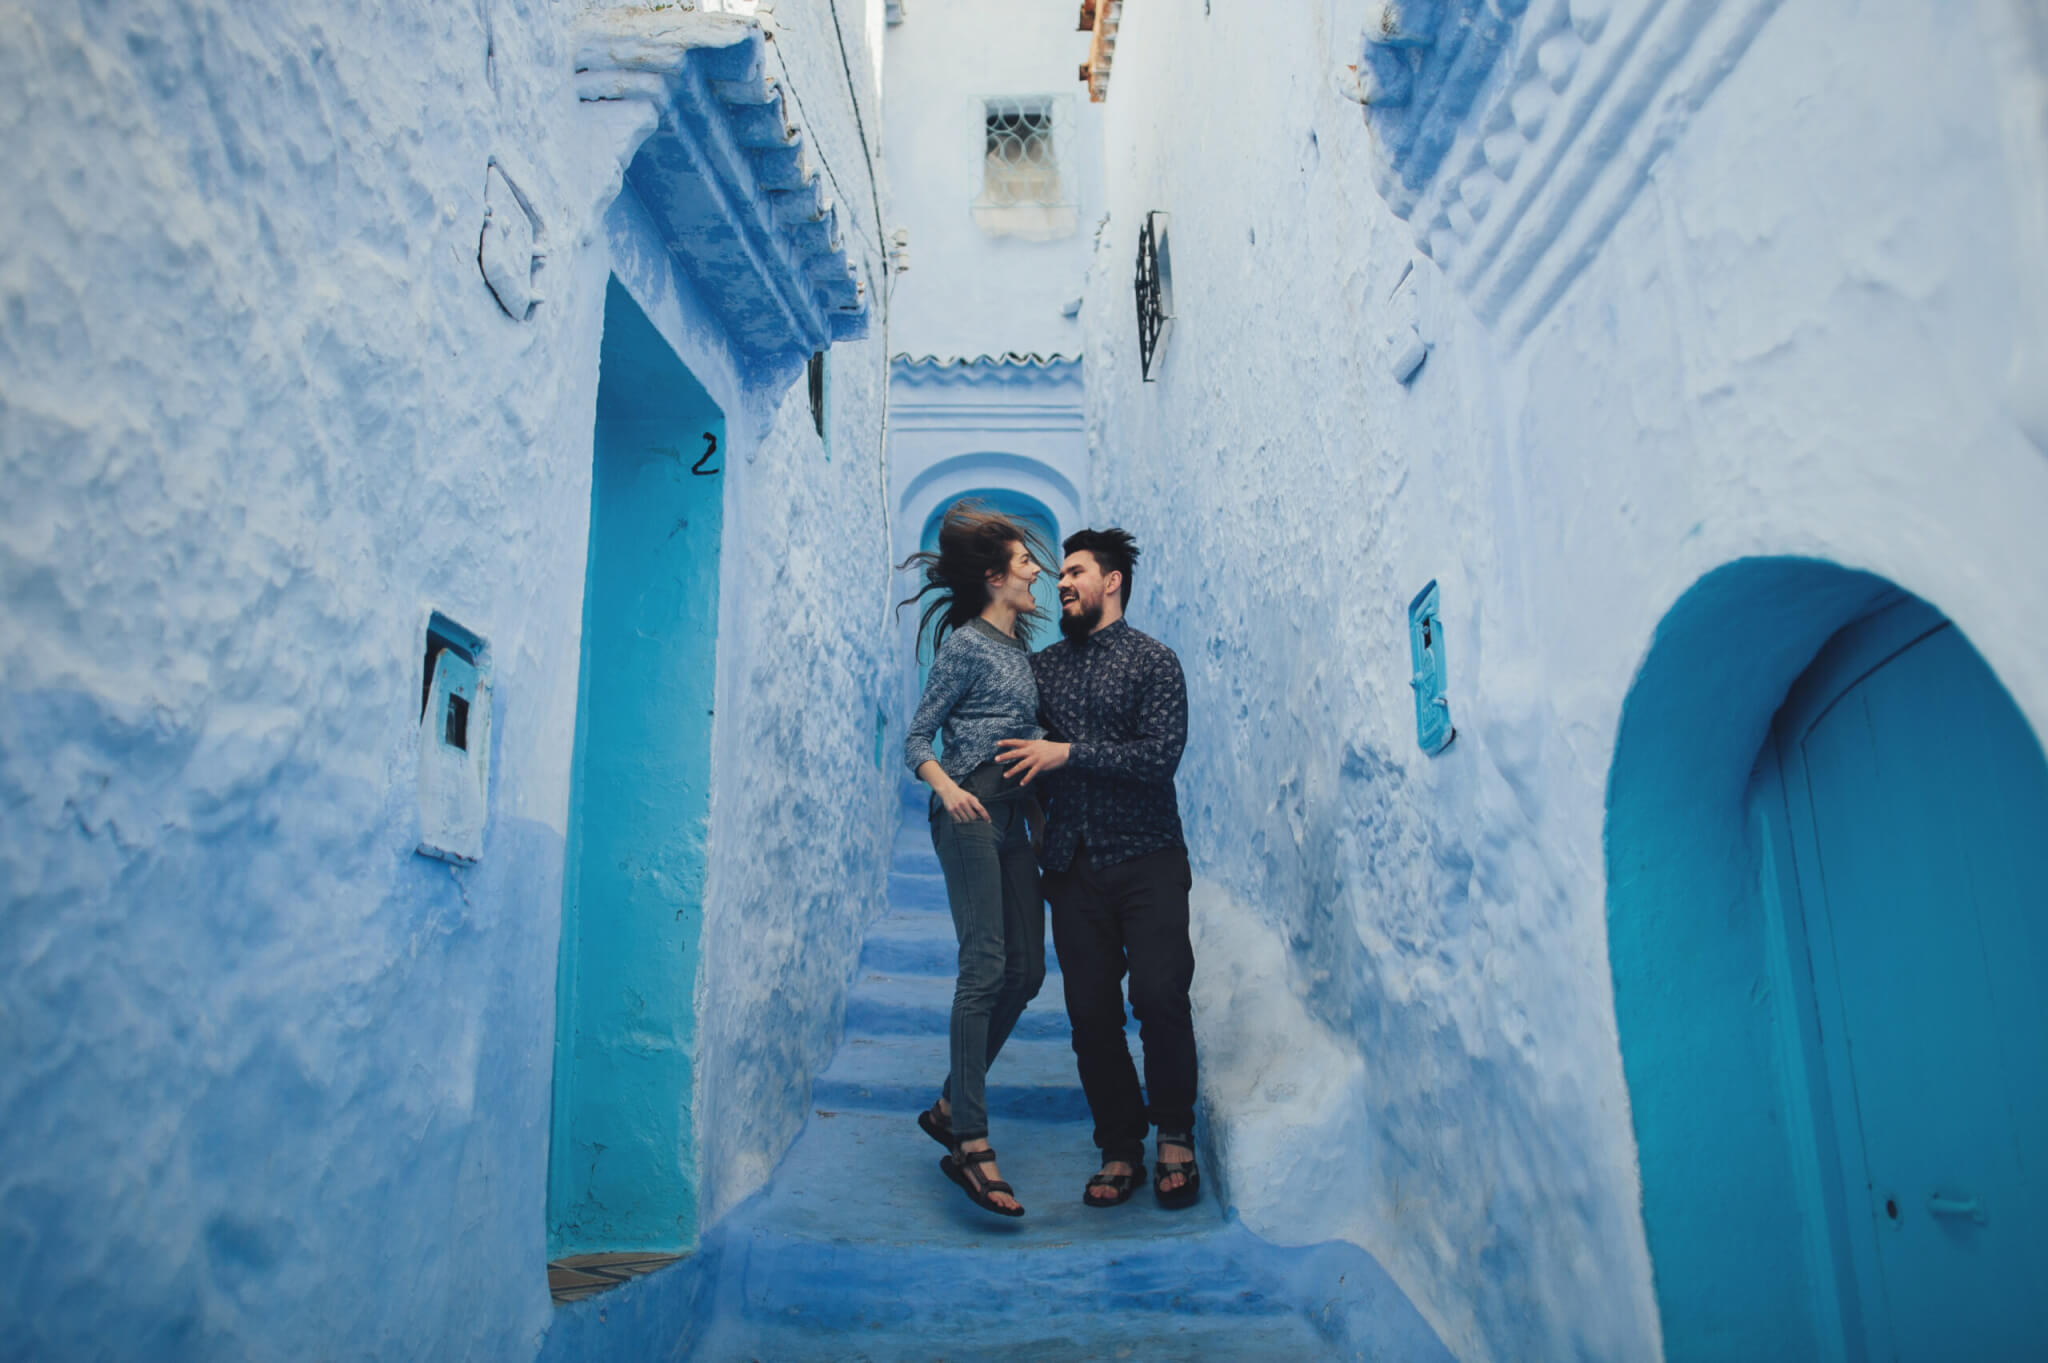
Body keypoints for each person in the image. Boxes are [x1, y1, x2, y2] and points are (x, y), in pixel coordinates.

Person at [996, 527, 1200, 1211]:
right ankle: (1118, 1146)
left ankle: (1175, 1134)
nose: (1062, 584)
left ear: (1112, 581)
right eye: (1058, 576)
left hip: (1148, 858)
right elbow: (1015, 745)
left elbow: (1157, 760)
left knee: (1161, 995)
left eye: (1075, 572)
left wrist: (1067, 754)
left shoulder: (1154, 662)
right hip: (1072, 867)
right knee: (1090, 1015)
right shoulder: (1043, 669)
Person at [898, 501, 1054, 1218]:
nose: (1036, 571)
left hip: (1016, 818)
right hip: (969, 809)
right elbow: (917, 740)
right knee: (985, 964)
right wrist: (949, 788)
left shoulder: (1019, 651)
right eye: (1025, 562)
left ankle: (947, 1104)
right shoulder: (964, 644)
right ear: (993, 577)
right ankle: (971, 1139)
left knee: (1025, 971)